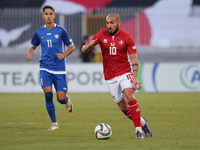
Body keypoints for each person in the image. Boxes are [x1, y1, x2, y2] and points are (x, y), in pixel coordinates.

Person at [81, 13, 152, 139]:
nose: (109, 25)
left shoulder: (127, 37)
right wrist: (87, 47)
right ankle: (142, 122)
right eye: (107, 23)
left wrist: (135, 77)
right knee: (124, 108)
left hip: (125, 72)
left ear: (119, 23)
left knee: (130, 96)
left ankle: (138, 132)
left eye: (112, 22)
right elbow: (84, 49)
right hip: (110, 77)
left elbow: (134, 59)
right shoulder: (101, 35)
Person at [26, 5, 75, 130]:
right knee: (48, 94)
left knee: (60, 98)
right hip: (45, 67)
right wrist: (30, 54)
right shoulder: (39, 32)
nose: (48, 16)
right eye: (46, 13)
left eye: (50, 13)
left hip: (59, 69)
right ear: (43, 16)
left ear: (54, 15)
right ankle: (54, 124)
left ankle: (67, 100)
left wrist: (63, 55)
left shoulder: (61, 30)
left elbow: (72, 46)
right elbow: (33, 46)